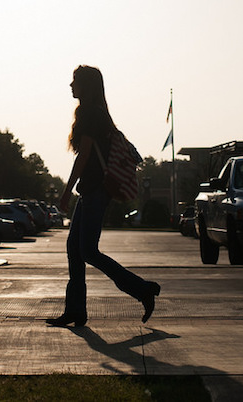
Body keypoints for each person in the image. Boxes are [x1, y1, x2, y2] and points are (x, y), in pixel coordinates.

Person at [46, 65, 160, 328]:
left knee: (87, 251)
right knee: (75, 251)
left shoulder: (89, 114)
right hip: (92, 191)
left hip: (95, 190)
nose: (71, 86)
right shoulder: (98, 114)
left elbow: (84, 155)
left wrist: (65, 193)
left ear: (86, 85)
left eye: (75, 81)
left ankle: (143, 290)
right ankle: (75, 311)